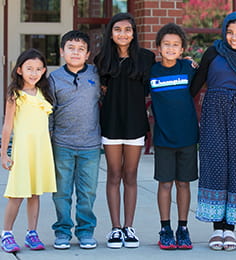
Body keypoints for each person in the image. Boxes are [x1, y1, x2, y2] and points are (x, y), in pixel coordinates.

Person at [190, 11, 236, 252]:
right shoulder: (213, 52)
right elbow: (195, 84)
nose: (234, 37)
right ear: (223, 32)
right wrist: (183, 66)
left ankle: (230, 230)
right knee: (215, 164)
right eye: (230, 32)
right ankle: (216, 229)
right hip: (214, 113)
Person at [94, 12, 155, 249]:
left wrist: (189, 62)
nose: (123, 34)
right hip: (111, 123)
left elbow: (164, 75)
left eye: (127, 30)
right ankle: (115, 228)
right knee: (113, 174)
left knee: (130, 175)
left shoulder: (146, 58)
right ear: (111, 32)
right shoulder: (102, 59)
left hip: (134, 124)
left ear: (134, 33)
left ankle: (129, 228)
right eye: (118, 29)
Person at [49, 30, 102, 250]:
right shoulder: (53, 78)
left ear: (88, 54)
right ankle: (62, 231)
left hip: (90, 144)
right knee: (61, 192)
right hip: (62, 144)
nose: (75, 52)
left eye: (81, 49)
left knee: (87, 191)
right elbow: (49, 111)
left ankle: (85, 231)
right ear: (62, 52)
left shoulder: (97, 74)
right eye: (71, 48)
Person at [0, 48, 56, 253]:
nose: (34, 73)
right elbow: (7, 126)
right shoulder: (15, 95)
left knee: (34, 193)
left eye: (38, 69)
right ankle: (7, 233)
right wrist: (4, 153)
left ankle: (32, 233)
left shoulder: (44, 92)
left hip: (40, 150)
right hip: (23, 150)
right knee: (17, 193)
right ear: (20, 70)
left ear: (43, 71)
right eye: (29, 68)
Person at [149, 23, 199, 250]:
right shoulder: (152, 71)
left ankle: (183, 227)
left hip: (187, 136)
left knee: (183, 183)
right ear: (159, 47)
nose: (170, 48)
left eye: (175, 45)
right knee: (165, 184)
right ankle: (165, 228)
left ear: (182, 49)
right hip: (163, 138)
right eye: (166, 44)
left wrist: (192, 62)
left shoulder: (188, 68)